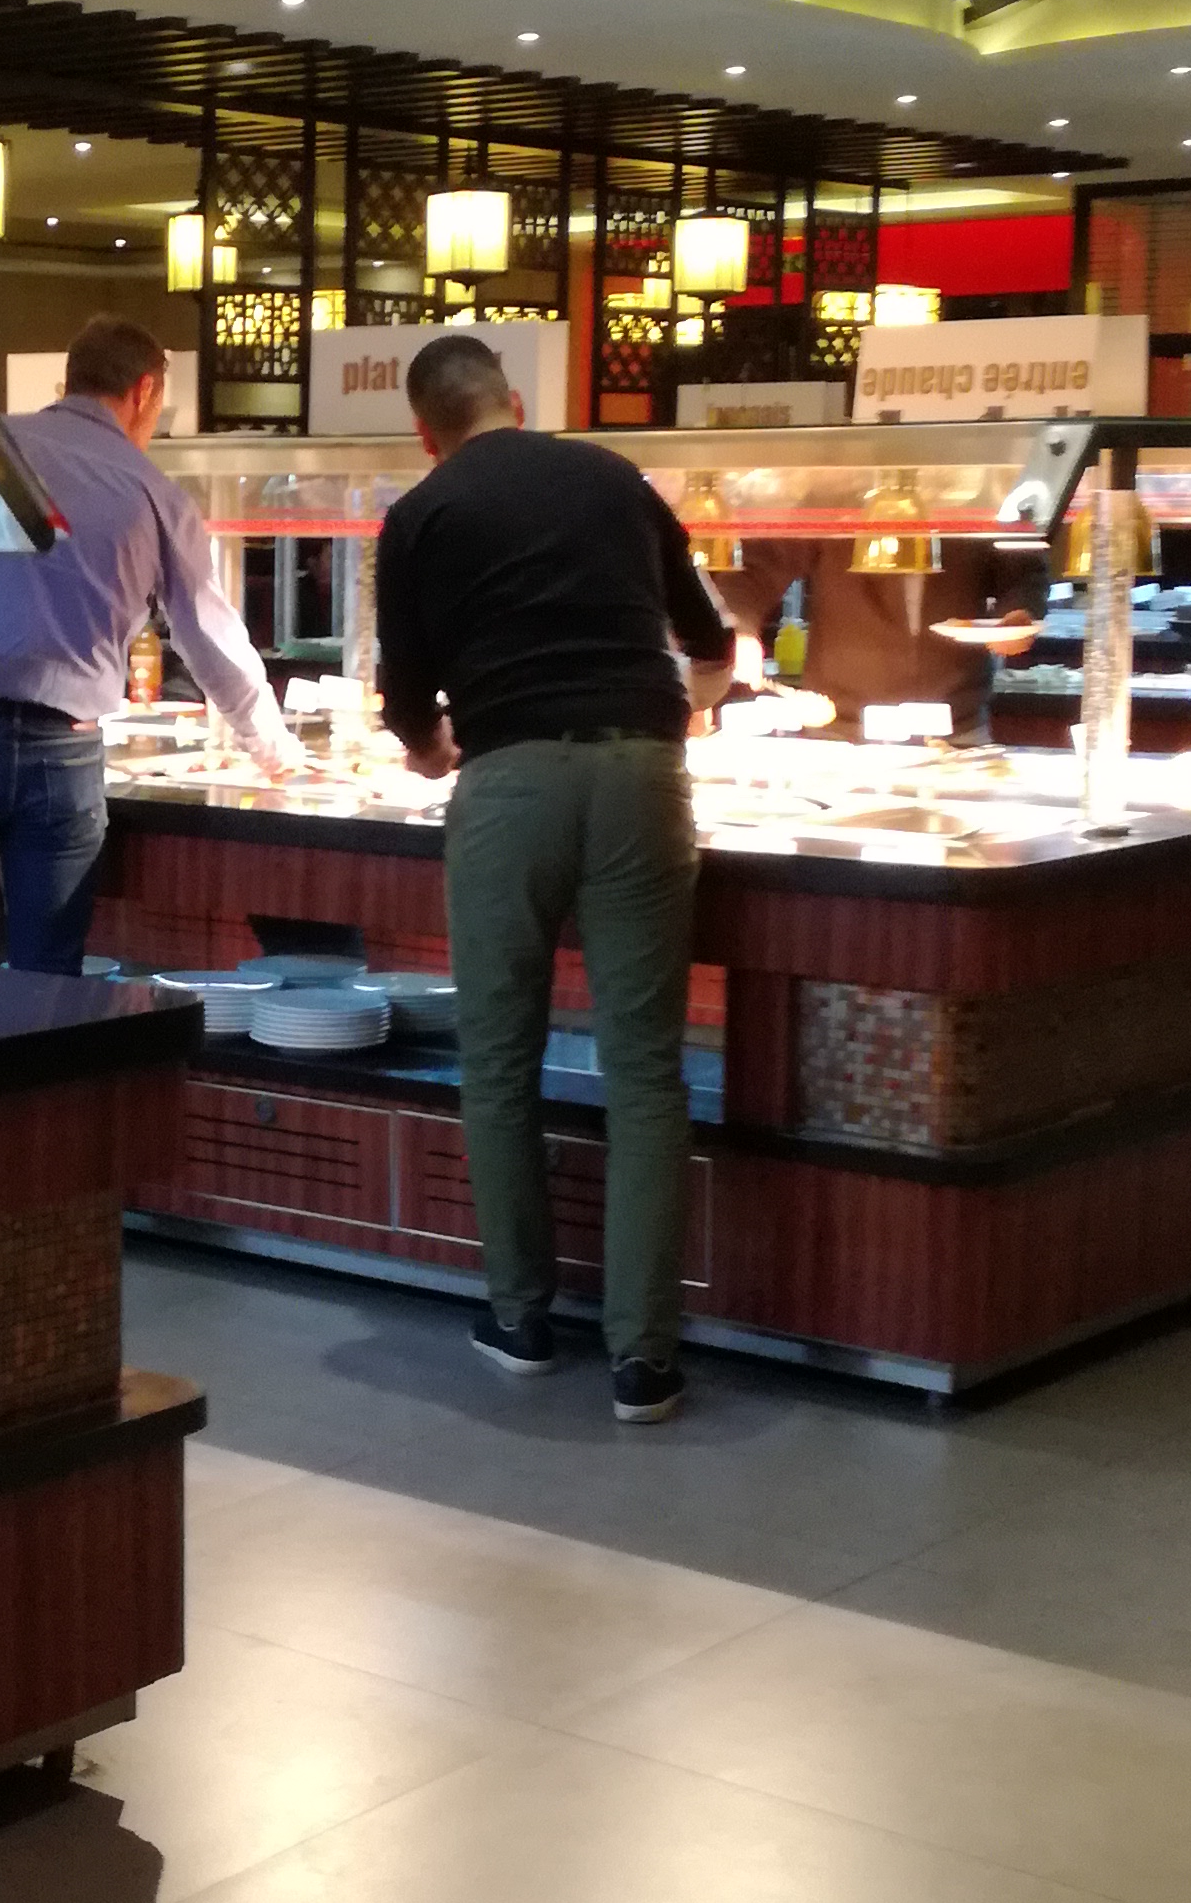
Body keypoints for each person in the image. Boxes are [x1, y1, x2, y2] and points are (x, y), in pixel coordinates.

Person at [376, 333, 732, 1425]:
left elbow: (406, 698)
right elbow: (709, 641)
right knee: (645, 1068)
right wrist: (692, 707)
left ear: (426, 433)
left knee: (498, 1059)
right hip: (642, 777)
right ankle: (644, 1363)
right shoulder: (614, 477)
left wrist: (433, 750)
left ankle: (521, 1321)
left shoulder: (421, 512)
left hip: (509, 783)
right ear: (517, 402)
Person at [0, 314, 299, 974]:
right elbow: (208, 636)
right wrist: (271, 748)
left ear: (69, 379)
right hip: (62, 751)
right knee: (48, 978)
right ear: (144, 391)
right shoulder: (151, 491)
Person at [717, 531, 1045, 737]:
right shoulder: (840, 487)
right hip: (842, 730)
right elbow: (754, 568)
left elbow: (1024, 566)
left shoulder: (977, 483)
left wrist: (1018, 615)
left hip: (955, 728)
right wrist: (740, 629)